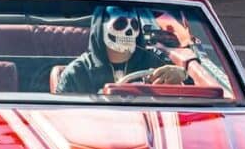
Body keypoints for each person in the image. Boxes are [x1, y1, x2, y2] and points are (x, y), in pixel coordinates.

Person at [55, 5, 186, 94]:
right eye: (120, 24)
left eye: (134, 25)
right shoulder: (77, 73)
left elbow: (191, 91)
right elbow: (65, 118)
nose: (128, 32)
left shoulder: (154, 61)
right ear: (101, 28)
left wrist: (182, 74)